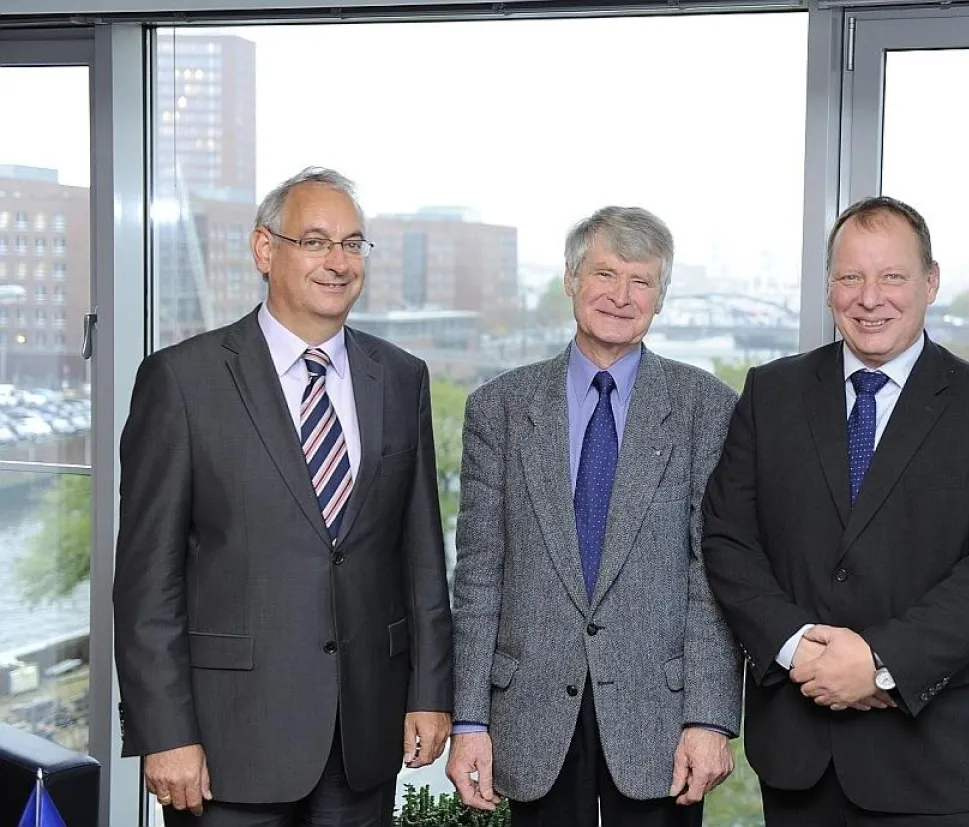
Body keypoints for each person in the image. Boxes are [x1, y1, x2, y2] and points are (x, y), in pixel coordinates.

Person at [113, 167, 453, 826]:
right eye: (316, 241)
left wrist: (431, 691)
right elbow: (147, 582)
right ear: (266, 250)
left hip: (362, 737)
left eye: (353, 244)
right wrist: (165, 731)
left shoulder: (402, 377)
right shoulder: (182, 381)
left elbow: (420, 555)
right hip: (225, 742)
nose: (338, 261)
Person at [702, 195, 969, 826]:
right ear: (829, 288)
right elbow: (728, 538)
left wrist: (879, 664)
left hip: (930, 763)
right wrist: (795, 650)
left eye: (892, 276)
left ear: (930, 282)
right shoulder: (771, 393)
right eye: (850, 277)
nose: (871, 298)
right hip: (797, 756)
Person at [446, 206, 743, 827]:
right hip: (528, 713)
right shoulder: (499, 408)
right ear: (570, 279)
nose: (621, 295)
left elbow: (711, 579)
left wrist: (710, 717)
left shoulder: (707, 410)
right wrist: (469, 719)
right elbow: (478, 576)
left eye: (642, 281)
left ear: (660, 298)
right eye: (605, 274)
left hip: (661, 721)